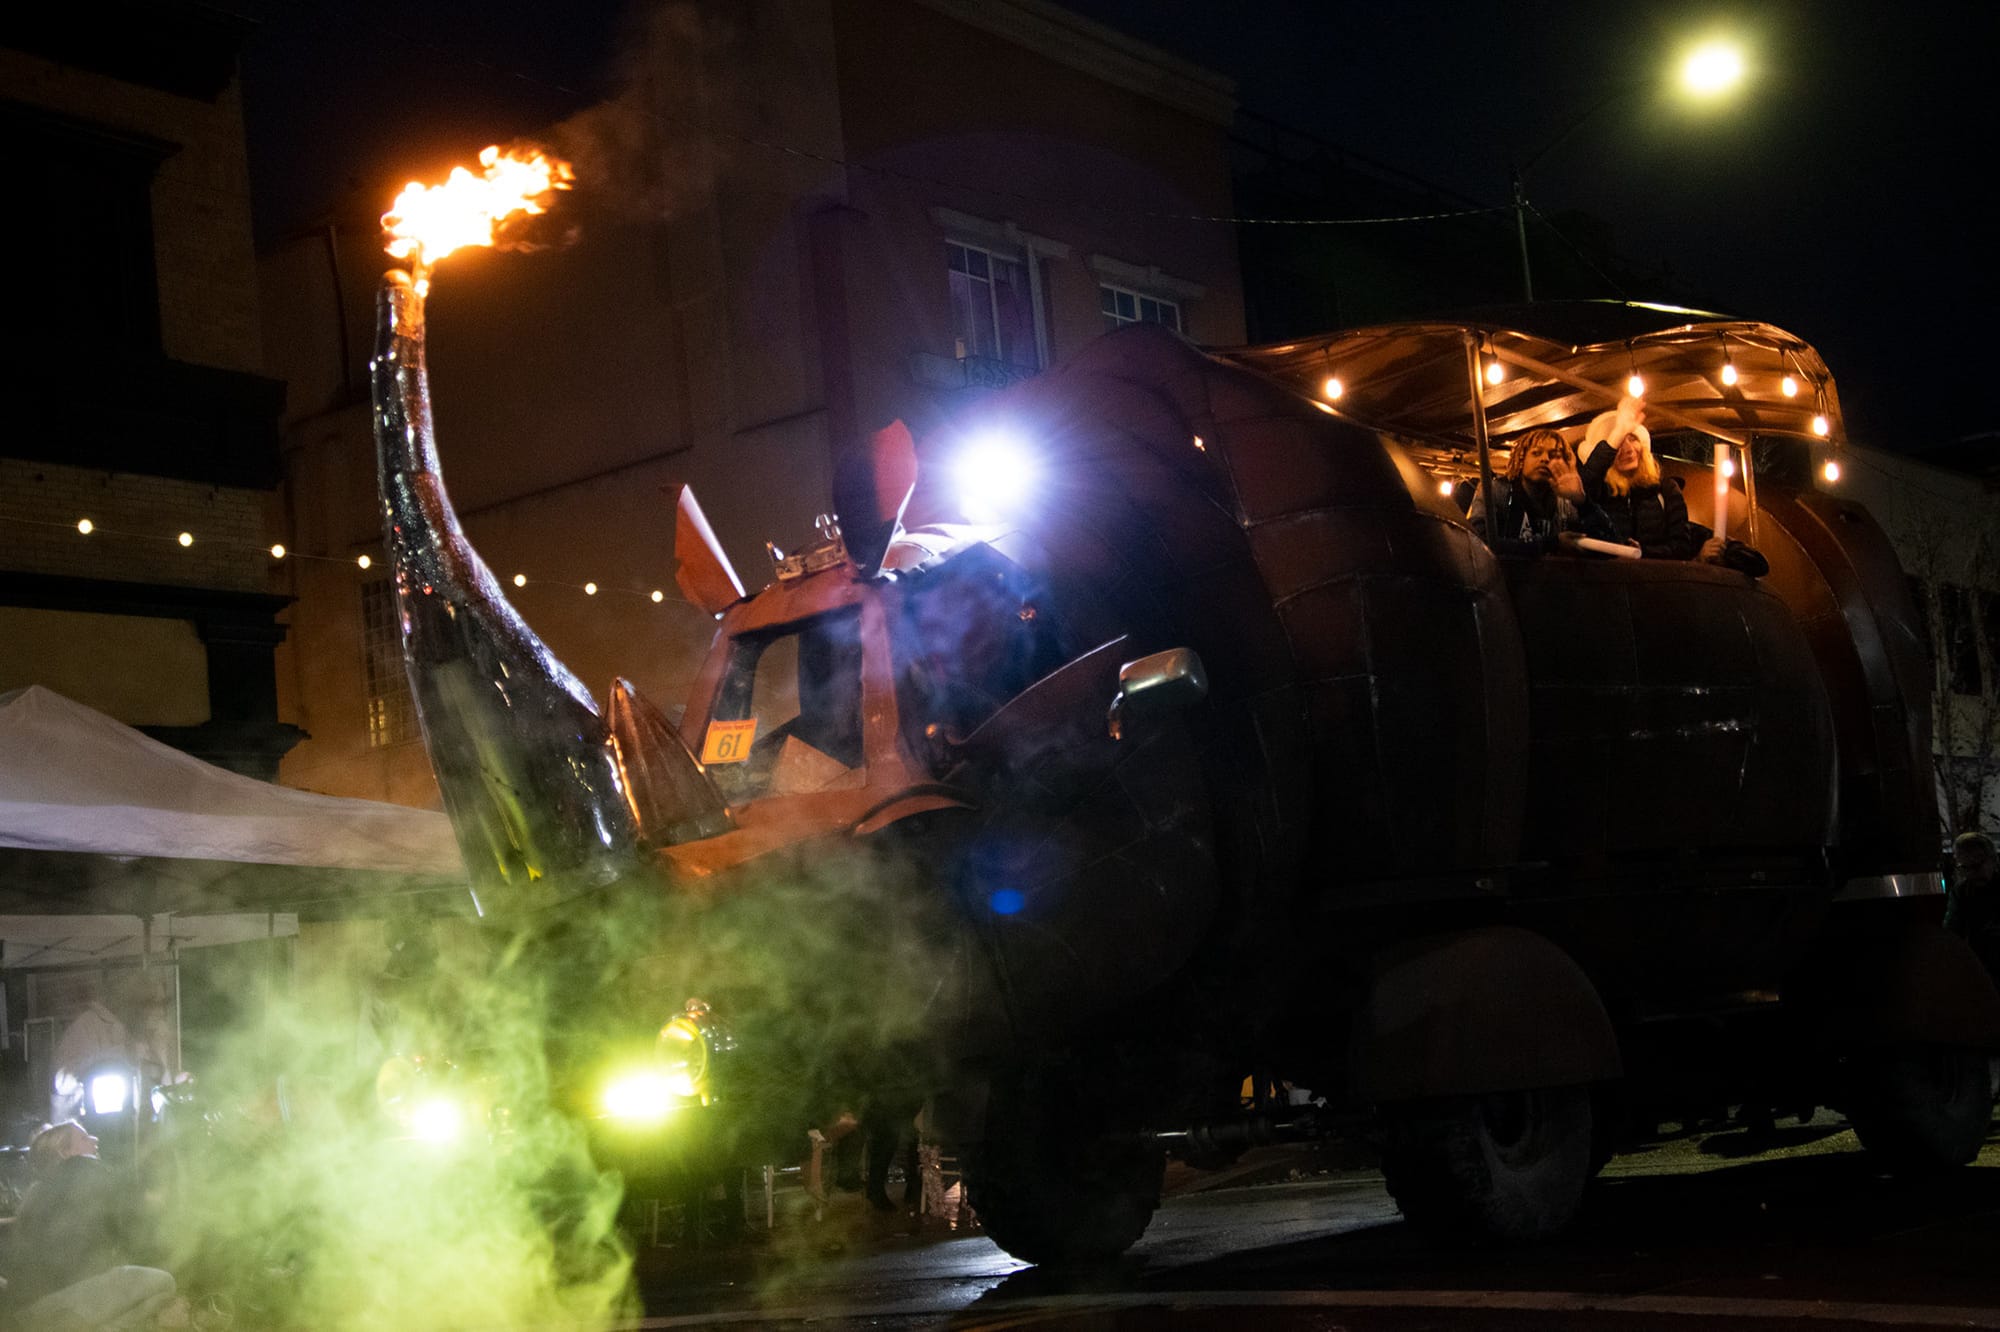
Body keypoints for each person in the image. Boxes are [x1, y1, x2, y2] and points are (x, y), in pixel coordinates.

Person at [1, 1121, 178, 1330]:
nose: (95, 1139)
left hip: (27, 1308)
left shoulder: (37, 1193)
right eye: (84, 1138)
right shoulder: (81, 1168)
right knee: (163, 1282)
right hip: (56, 1304)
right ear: (64, 1152)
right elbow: (134, 1217)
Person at [1578, 396, 1726, 562]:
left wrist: (1642, 552)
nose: (1628, 449)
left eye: (1633, 438)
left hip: (1656, 582)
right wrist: (1618, 431)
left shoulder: (1666, 490)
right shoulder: (1599, 491)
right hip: (1611, 582)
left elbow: (1681, 547)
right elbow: (1583, 487)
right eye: (1619, 441)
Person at [1466, 428, 1615, 552]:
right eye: (1537, 453)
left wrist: (1583, 502)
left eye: (1554, 455)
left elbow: (1606, 546)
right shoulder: (1497, 490)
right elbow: (1477, 542)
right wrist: (1551, 544)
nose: (1545, 459)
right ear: (1521, 459)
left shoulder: (1567, 499)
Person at [50, 981, 132, 1125]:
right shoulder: (86, 1026)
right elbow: (62, 1081)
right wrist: (106, 1059)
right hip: (83, 1126)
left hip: (120, 1123)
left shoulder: (126, 1029)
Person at [1945, 829, 2000, 984]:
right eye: (1964, 868)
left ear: (1993, 860)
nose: (1971, 874)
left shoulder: (1962, 892)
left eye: (1976, 866)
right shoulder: (1961, 892)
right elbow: (1953, 931)